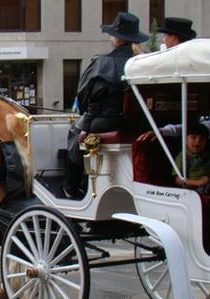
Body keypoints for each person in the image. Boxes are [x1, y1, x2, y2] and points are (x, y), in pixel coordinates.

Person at [63, 12, 149, 198]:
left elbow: (84, 97)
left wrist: (88, 111)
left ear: (117, 38)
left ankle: (71, 186)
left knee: (74, 132)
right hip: (137, 123)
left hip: (104, 121)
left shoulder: (101, 63)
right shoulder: (143, 62)